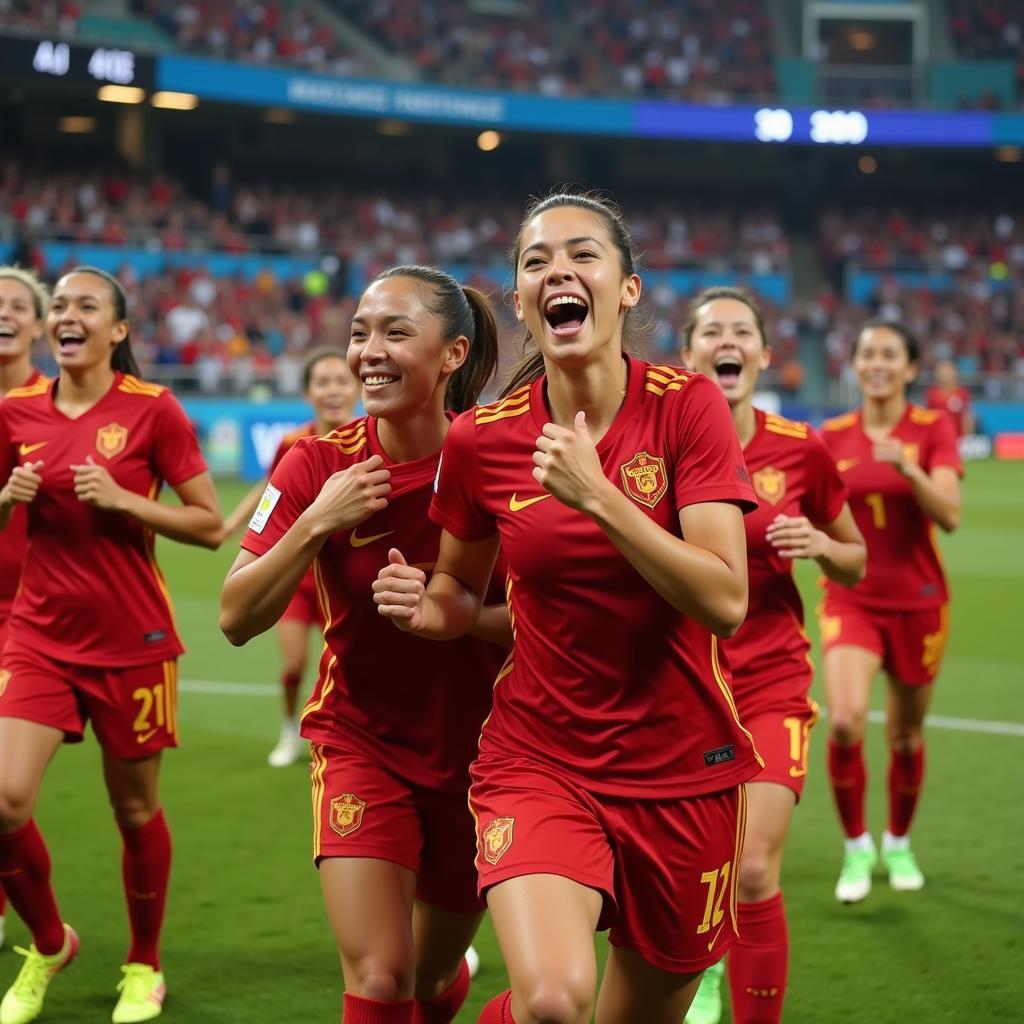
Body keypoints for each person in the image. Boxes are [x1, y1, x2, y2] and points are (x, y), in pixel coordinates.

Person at [375, 193, 762, 1024]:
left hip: (684, 774)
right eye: (536, 260)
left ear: (626, 289)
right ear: (520, 300)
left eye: (584, 254)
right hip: (540, 760)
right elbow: (457, 593)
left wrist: (602, 500)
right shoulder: (481, 440)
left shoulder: (687, 406)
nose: (559, 270)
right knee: (553, 1002)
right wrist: (423, 607)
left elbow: (726, 600)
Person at [220, 265, 504, 1024]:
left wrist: (455, 614)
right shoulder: (315, 464)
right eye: (359, 332)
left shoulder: (500, 458)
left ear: (452, 354)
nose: (368, 351)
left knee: (428, 977)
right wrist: (315, 520)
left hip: (485, 760)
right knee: (380, 978)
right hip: (362, 743)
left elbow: (550, 622)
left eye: (395, 332)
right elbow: (235, 615)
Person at [0, 266, 222, 1024]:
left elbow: (209, 523)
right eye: (58, 305)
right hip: (37, 638)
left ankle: (143, 963)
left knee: (134, 811)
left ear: (118, 330)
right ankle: (51, 941)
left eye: (85, 306)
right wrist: (5, 500)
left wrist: (124, 499)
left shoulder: (154, 411)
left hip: (135, 642)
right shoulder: (16, 411)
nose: (67, 315)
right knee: (3, 800)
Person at [680, 287, 866, 1024]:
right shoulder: (662, 444)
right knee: (696, 867)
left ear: (762, 354)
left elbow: (855, 560)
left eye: (742, 332)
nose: (727, 342)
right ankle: (702, 971)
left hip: (771, 680)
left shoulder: (800, 448)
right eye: (711, 331)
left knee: (753, 867)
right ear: (690, 355)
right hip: (683, 682)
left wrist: (822, 546)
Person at [820, 320, 962, 903]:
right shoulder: (829, 435)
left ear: (909, 368)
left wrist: (908, 467)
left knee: (905, 737)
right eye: (867, 353)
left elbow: (950, 514)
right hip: (852, 598)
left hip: (920, 603)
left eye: (889, 355)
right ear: (855, 366)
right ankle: (856, 849)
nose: (877, 363)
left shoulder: (932, 429)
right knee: (847, 720)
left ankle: (898, 841)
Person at [222, 347, 359, 767]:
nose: (333, 390)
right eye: (323, 382)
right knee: (295, 662)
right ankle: (288, 731)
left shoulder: (374, 440)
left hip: (347, 576)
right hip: (298, 575)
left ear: (354, 387)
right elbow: (269, 493)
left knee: (346, 665)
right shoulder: (292, 444)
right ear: (307, 393)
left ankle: (347, 743)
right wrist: (232, 526)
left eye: (341, 381)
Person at [0, 266, 51, 954]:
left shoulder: (62, 403)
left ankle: (46, 937)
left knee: (9, 794)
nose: (4, 313)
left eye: (16, 306)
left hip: (38, 621)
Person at [925, 359, 975, 438]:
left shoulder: (962, 394)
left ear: (954, 373)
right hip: (938, 437)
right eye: (941, 373)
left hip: (957, 438)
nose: (944, 375)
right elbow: (928, 417)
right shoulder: (932, 394)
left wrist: (968, 437)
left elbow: (966, 417)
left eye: (947, 372)